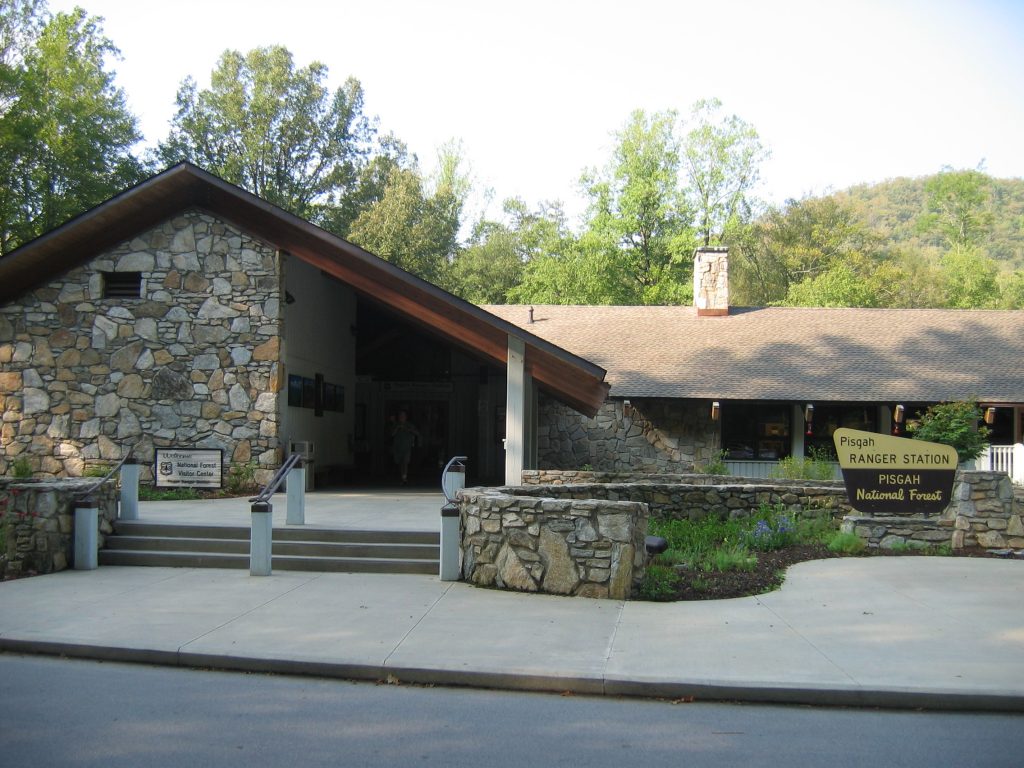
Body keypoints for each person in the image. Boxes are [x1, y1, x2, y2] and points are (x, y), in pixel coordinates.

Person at [390, 410, 420, 484]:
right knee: (398, 462)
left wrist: (409, 430)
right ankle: (400, 476)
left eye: (403, 416)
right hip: (397, 447)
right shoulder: (396, 424)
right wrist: (397, 428)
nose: (402, 417)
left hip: (407, 447)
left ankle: (404, 478)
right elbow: (392, 434)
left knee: (405, 462)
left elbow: (417, 433)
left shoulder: (409, 425)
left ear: (406, 417)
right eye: (400, 416)